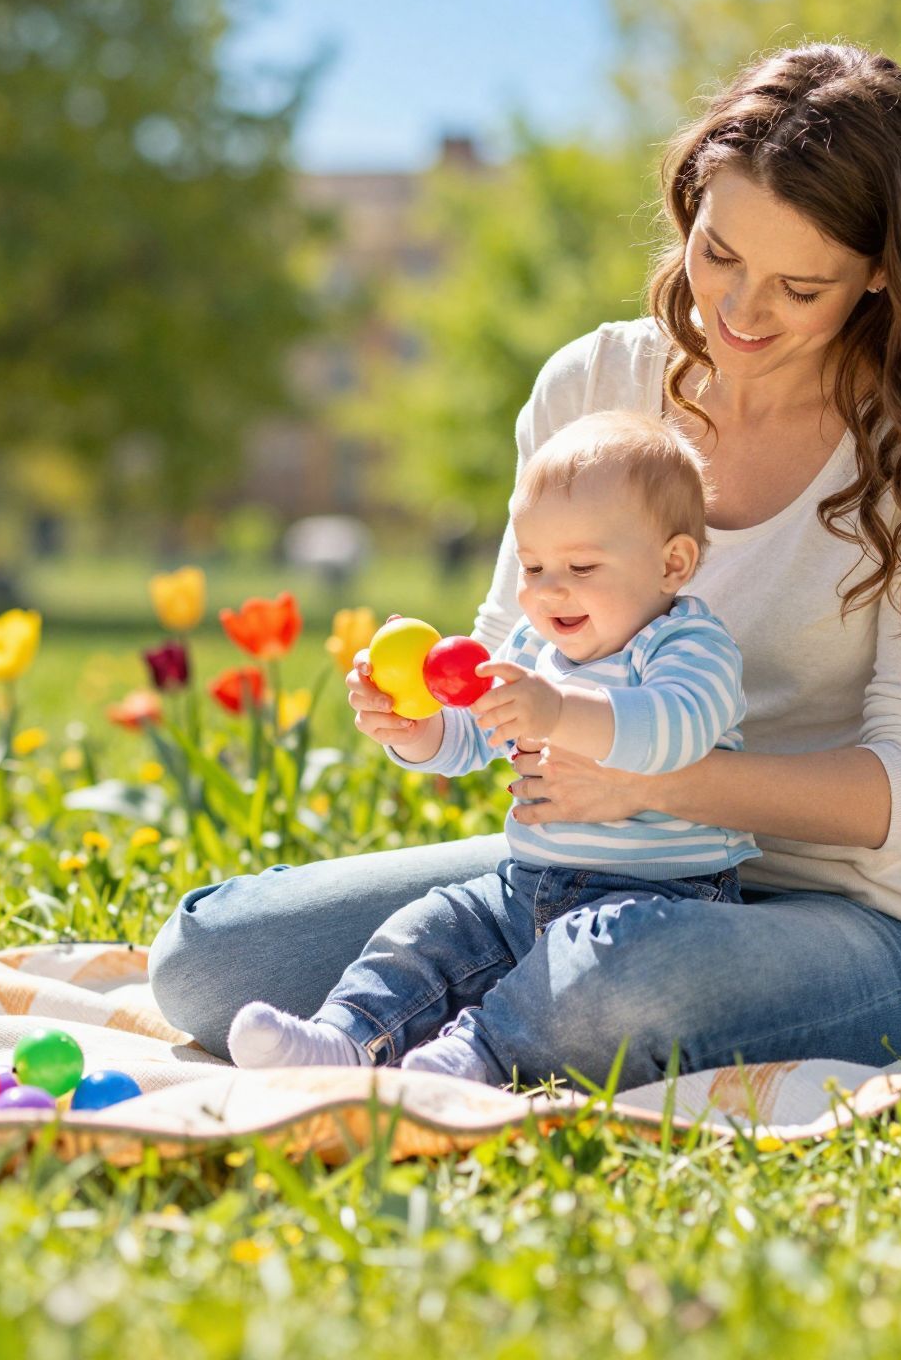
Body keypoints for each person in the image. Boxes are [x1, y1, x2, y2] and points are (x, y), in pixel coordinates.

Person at [150, 41, 901, 1090]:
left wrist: (658, 782)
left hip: (848, 921)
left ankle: (469, 1049)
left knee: (618, 984)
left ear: (883, 270)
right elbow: (508, 659)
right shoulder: (595, 384)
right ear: (688, 207)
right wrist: (428, 722)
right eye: (718, 255)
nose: (740, 313)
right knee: (214, 961)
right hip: (586, 869)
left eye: (798, 285)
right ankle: (449, 1027)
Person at [227, 412, 757, 1083]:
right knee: (432, 926)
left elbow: (674, 731)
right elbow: (472, 735)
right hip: (528, 885)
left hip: (662, 899)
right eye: (532, 566)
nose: (548, 588)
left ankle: (475, 1054)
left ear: (671, 563)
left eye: (581, 565)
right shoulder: (537, 649)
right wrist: (417, 732)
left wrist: (560, 711)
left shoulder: (689, 646)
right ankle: (343, 1037)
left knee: (583, 970)